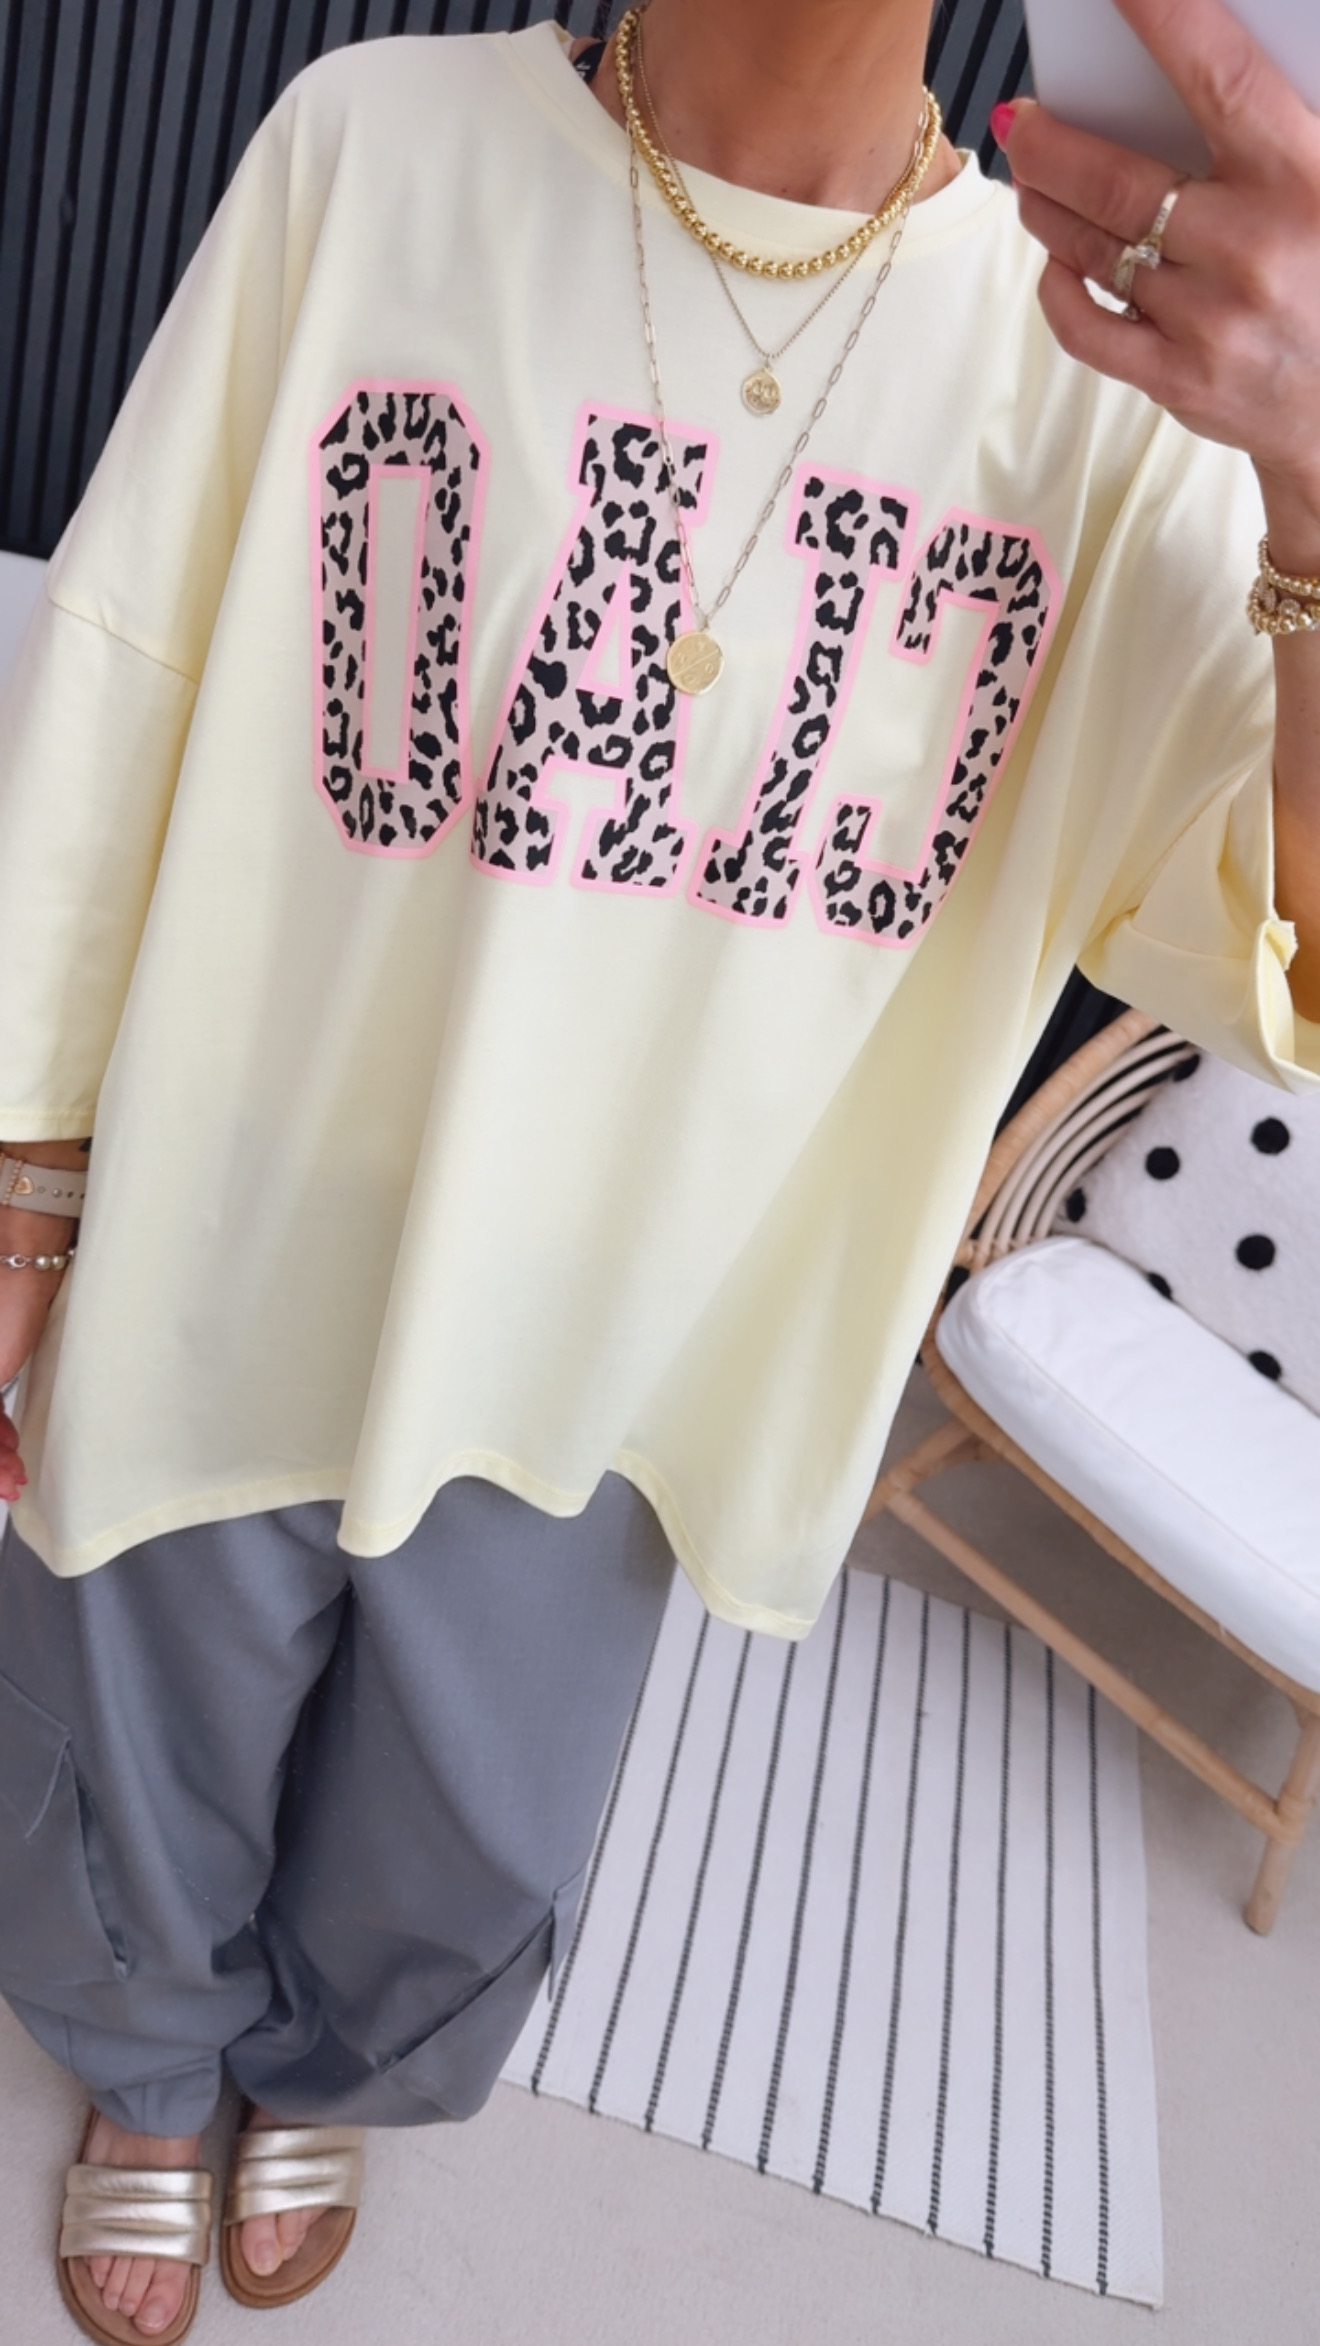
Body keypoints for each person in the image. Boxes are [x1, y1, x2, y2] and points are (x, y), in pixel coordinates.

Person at [1, 0, 1317, 2335]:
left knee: (471, 1796)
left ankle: (330, 2060)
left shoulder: (1112, 399)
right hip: (236, 1181)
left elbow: (1273, 950)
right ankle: (148, 2061)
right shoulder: (370, 146)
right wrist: (27, 1161)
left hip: (641, 1311)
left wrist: (1317, 511)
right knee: (143, 1683)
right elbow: (128, 654)